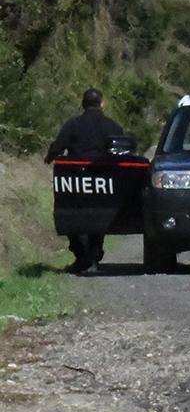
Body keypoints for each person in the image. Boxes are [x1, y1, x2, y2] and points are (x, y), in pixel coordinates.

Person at [44, 88, 127, 274]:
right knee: (99, 219)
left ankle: (84, 257)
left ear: (83, 104)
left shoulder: (73, 125)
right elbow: (124, 149)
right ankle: (89, 257)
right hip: (104, 183)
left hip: (74, 183)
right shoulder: (112, 126)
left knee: (70, 217)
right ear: (102, 103)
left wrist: (50, 156)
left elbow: (57, 147)